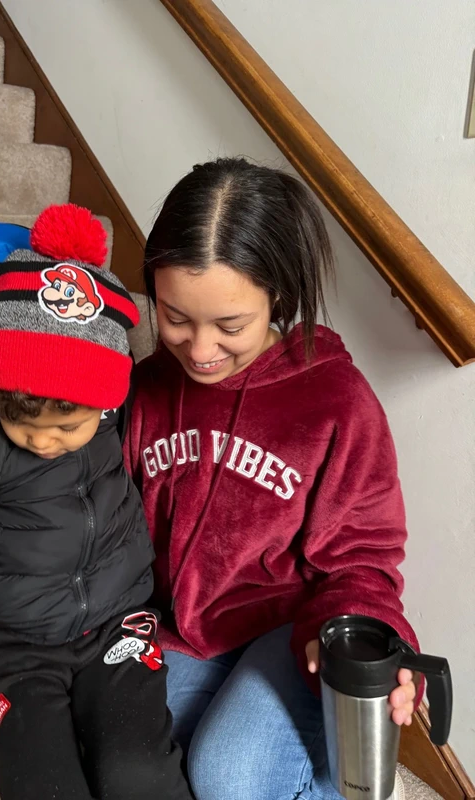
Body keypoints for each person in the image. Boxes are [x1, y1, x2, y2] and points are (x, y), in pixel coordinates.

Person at [124, 158, 419, 800]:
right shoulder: (143, 390)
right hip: (180, 631)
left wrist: (360, 630)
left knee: (228, 779)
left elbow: (363, 559)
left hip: (292, 634)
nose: (200, 349)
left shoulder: (337, 401)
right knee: (123, 751)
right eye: (175, 317)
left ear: (277, 298)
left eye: (230, 326)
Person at [0, 206, 192, 800]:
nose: (45, 442)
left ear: (104, 402)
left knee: (139, 772)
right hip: (16, 639)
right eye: (23, 426)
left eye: (66, 428)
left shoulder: (116, 410)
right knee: (41, 784)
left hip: (120, 619)